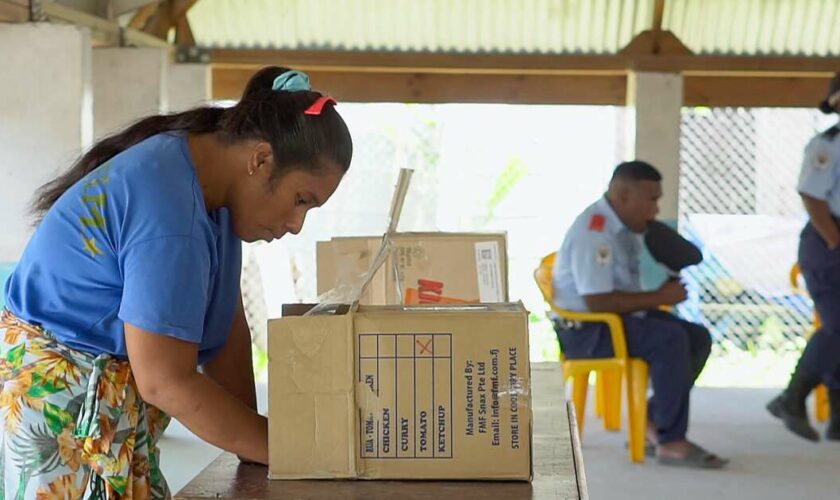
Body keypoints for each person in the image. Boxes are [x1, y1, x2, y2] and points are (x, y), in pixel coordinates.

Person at [0, 66, 352, 497]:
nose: (297, 224)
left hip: (111, 401)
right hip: (63, 407)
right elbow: (165, 380)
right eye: (301, 200)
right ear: (261, 160)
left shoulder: (213, 190)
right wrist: (293, 450)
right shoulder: (169, 209)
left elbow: (225, 321)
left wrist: (255, 446)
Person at [552, 160, 727, 469]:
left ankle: (652, 421)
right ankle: (671, 441)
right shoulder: (595, 233)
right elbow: (597, 302)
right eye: (652, 199)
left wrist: (659, 296)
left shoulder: (627, 228)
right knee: (669, 339)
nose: (655, 209)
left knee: (696, 336)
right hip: (587, 331)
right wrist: (661, 297)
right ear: (622, 195)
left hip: (617, 321)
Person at [767, 71, 840, 442]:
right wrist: (834, 241)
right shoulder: (827, 145)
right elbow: (812, 196)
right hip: (830, 240)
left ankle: (838, 417)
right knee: (838, 326)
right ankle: (792, 398)